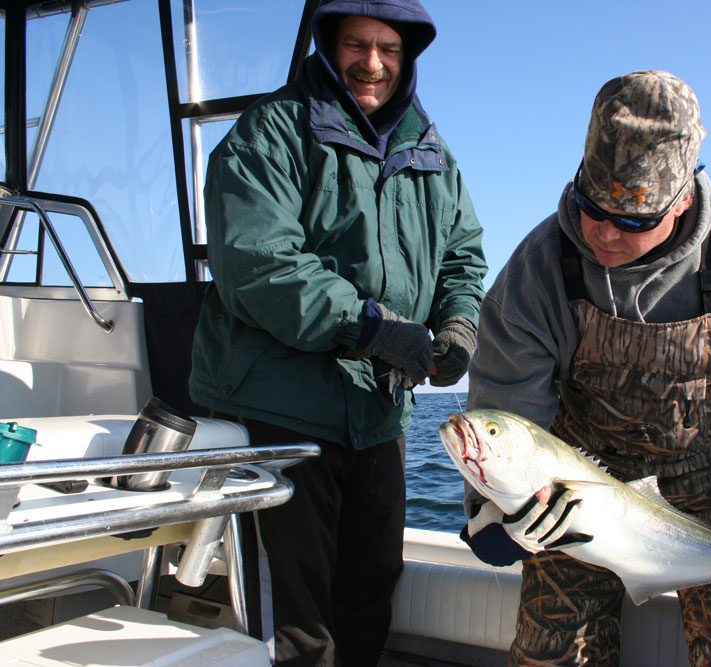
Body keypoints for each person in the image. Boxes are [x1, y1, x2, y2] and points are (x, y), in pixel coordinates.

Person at [461, 70, 711, 667]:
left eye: (635, 220)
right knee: (551, 656)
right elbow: (506, 416)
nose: (605, 234)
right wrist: (490, 514)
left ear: (684, 199)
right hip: (579, 488)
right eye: (592, 208)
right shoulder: (537, 270)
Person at [188, 1, 487, 664]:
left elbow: (462, 254)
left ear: (409, 57)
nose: (372, 63)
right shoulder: (271, 131)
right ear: (328, 45)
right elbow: (257, 263)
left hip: (378, 415)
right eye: (357, 44)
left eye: (390, 48)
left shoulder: (431, 152)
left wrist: (459, 320)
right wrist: (371, 327)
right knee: (298, 620)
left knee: (370, 592)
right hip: (278, 413)